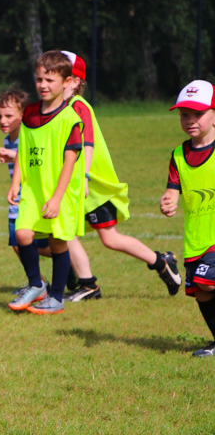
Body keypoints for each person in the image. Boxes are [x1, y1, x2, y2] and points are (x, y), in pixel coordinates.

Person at [59, 51, 181, 302]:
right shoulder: (60, 109)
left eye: (54, 76)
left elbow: (88, 143)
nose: (45, 83)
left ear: (72, 81)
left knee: (109, 238)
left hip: (93, 185)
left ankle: (160, 262)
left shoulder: (78, 107)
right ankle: (77, 280)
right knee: (59, 233)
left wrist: (83, 176)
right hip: (74, 183)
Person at [7, 50, 85, 315]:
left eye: (50, 80)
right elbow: (23, 150)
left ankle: (57, 297)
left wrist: (57, 198)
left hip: (60, 192)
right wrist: (16, 182)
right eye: (40, 79)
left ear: (66, 82)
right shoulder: (29, 114)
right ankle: (35, 285)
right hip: (33, 188)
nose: (43, 85)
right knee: (22, 234)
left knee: (57, 243)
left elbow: (70, 162)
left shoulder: (71, 119)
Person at [160, 80, 215, 357]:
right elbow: (173, 190)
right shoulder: (179, 155)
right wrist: (169, 201)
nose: (190, 120)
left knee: (208, 282)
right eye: (184, 114)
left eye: (198, 113)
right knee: (201, 292)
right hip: (196, 238)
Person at [0, 87, 52, 293]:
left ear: (23, 114)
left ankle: (62, 264)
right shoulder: (8, 139)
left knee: (31, 243)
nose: (3, 120)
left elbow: (33, 163)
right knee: (18, 243)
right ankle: (38, 282)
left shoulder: (28, 136)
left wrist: (13, 156)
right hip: (17, 199)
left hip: (29, 199)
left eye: (9, 116)